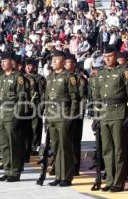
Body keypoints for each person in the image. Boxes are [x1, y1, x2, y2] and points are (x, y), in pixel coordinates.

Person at [94, 45, 128, 192]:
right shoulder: (100, 73)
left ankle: (118, 182)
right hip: (105, 114)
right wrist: (96, 116)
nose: (107, 59)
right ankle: (110, 180)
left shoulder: (124, 72)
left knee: (119, 150)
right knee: (107, 150)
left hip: (119, 113)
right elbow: (97, 96)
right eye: (105, 57)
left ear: (115, 56)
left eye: (110, 56)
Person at [45, 50, 79, 187]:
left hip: (63, 115)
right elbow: (46, 98)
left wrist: (71, 116)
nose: (53, 62)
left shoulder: (69, 77)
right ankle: (58, 175)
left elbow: (74, 99)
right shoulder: (50, 77)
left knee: (65, 147)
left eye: (56, 60)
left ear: (63, 62)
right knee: (56, 147)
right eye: (52, 60)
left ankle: (67, 176)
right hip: (52, 116)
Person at [0, 51, 29, 182]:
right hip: (1, 116)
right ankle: (7, 169)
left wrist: (18, 116)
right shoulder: (0, 77)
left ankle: (15, 171)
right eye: (2, 61)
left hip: (12, 115)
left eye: (5, 61)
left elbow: (21, 98)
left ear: (12, 62)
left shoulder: (18, 77)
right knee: (4, 145)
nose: (2, 64)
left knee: (14, 144)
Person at [64, 53, 88, 176]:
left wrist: (80, 114)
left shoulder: (80, 78)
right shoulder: (62, 76)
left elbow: (83, 98)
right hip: (63, 114)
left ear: (74, 64)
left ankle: (75, 166)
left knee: (74, 142)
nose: (65, 64)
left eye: (67, 62)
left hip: (75, 114)